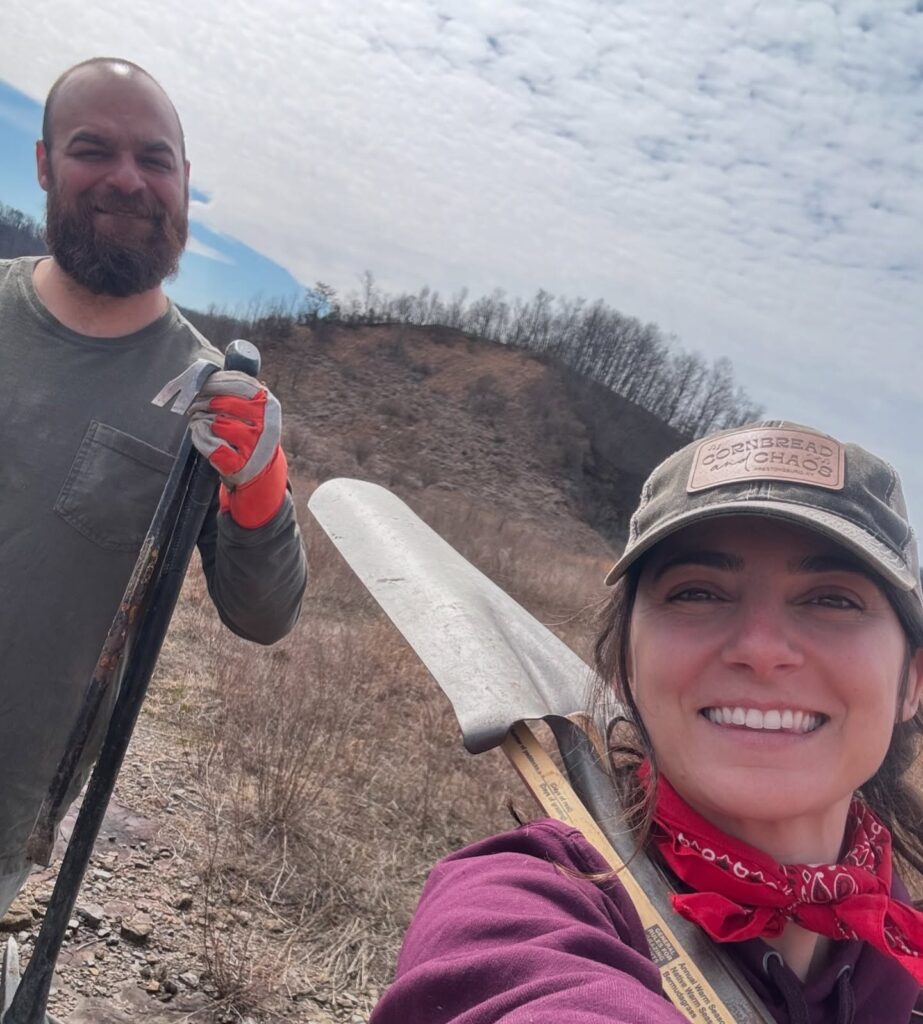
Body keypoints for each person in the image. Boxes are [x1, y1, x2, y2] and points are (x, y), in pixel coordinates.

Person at [371, 421, 923, 1022]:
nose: (761, 648)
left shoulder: (901, 943)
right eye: (697, 593)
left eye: (833, 599)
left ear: (913, 683)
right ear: (624, 667)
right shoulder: (517, 904)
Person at [0, 58, 307, 918]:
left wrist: (258, 488)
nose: (128, 180)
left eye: (154, 158)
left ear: (184, 181)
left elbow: (264, 616)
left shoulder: (212, 400)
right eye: (93, 149)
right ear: (45, 165)